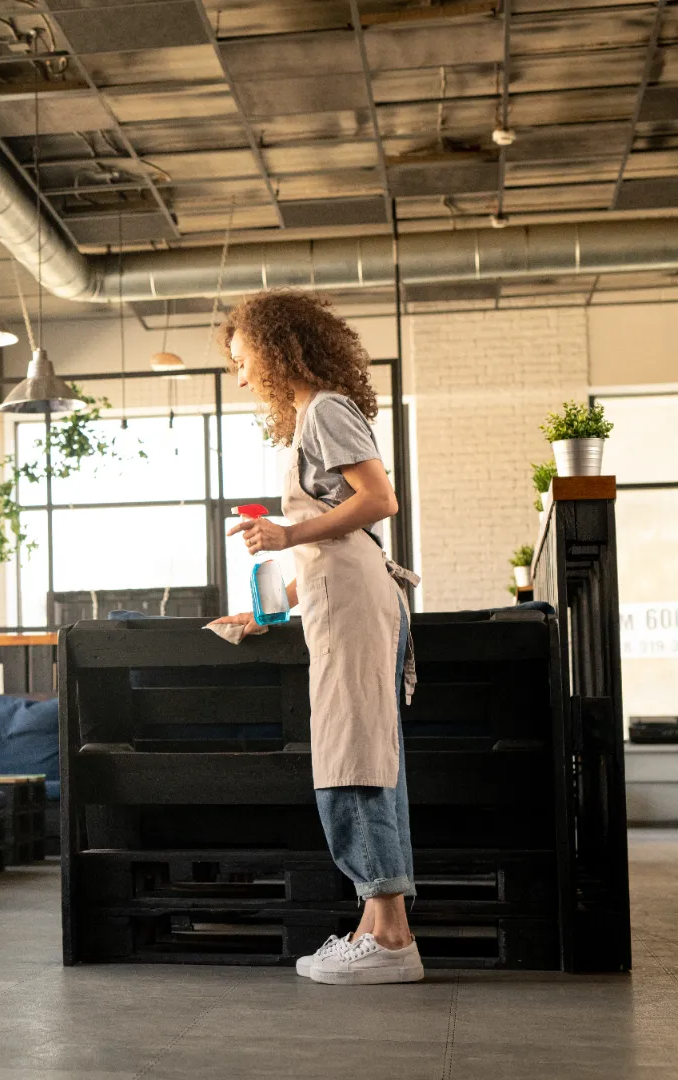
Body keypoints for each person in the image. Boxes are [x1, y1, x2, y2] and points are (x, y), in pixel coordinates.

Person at [209, 290, 423, 986]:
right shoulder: (314, 414)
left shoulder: (327, 408)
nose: (240, 376)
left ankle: (390, 939)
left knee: (353, 756)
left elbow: (378, 501)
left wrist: (285, 533)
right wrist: (269, 609)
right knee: (357, 752)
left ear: (275, 350)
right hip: (342, 596)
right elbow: (338, 538)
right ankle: (374, 924)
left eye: (243, 361)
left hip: (357, 603)